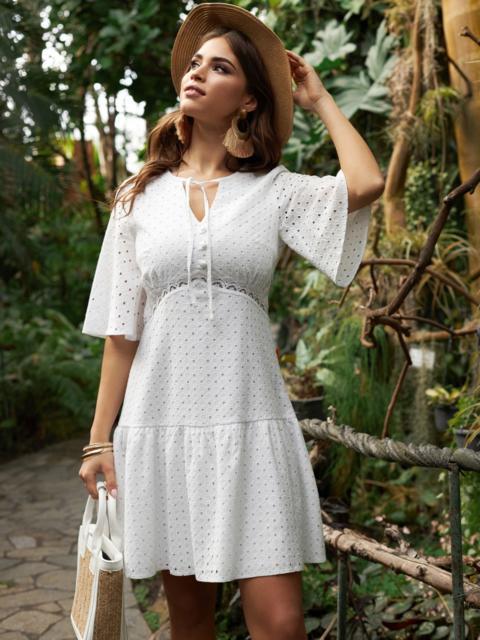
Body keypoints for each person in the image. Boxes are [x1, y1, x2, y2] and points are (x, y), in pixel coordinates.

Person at [78, 3, 384, 639]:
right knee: (191, 626)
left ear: (247, 101)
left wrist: (319, 98)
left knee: (281, 625)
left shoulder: (274, 190)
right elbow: (121, 330)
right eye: (195, 63)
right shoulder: (138, 197)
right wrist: (99, 440)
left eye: (219, 68)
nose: (196, 73)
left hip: (251, 428)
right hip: (162, 427)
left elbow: (365, 183)